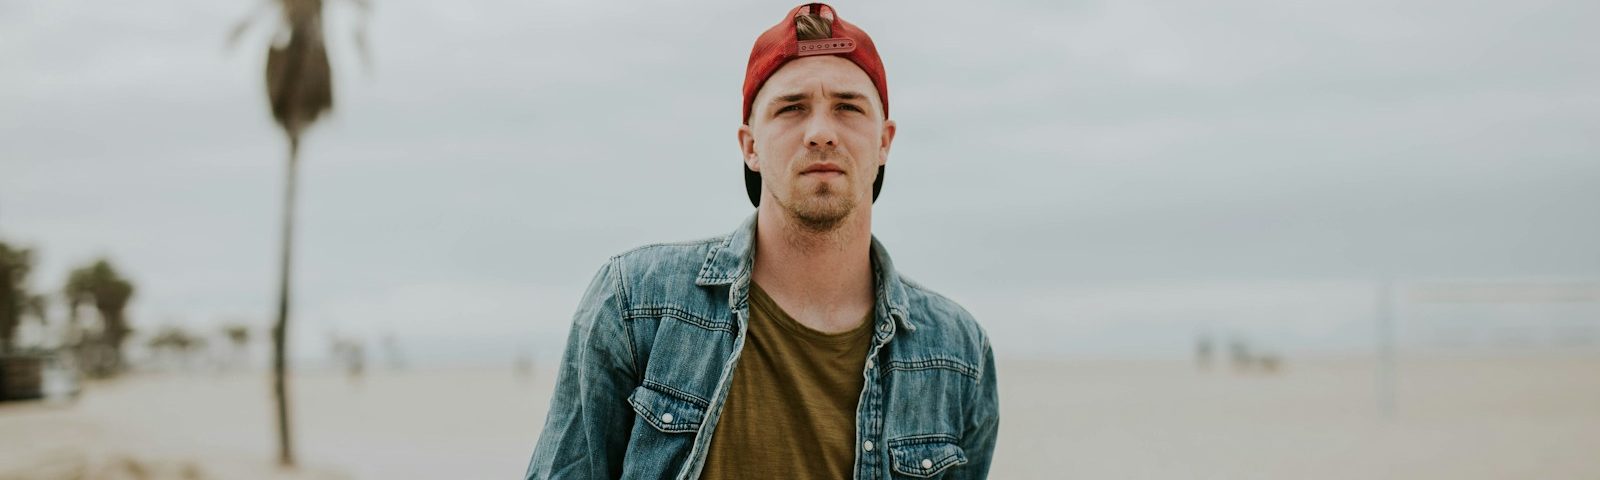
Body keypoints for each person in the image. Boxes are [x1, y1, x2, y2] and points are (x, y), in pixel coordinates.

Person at [524, 4, 998, 479]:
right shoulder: (635, 304)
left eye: (848, 107)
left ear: (884, 142)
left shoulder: (957, 351)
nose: (820, 133)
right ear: (749, 145)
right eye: (791, 108)